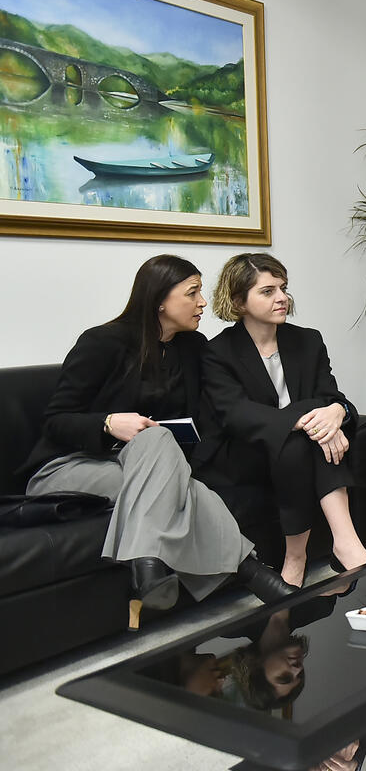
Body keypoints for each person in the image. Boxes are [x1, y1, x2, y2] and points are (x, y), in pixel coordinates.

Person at [23, 255, 295, 628]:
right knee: (179, 477)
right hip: (71, 466)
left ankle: (148, 572)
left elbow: (205, 415)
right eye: (192, 293)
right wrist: (108, 423)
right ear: (160, 300)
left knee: (161, 450)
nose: (203, 302)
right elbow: (55, 420)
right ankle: (251, 571)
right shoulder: (102, 342)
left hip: (149, 463)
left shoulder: (193, 347)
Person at [204, 253, 366, 587]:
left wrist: (338, 411)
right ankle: (328, 551)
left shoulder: (307, 340)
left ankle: (328, 550)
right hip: (245, 453)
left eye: (283, 288)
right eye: (268, 291)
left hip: (301, 449)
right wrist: (311, 418)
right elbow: (237, 414)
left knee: (313, 437)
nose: (282, 297)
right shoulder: (218, 352)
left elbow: (329, 396)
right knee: (306, 435)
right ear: (238, 302)